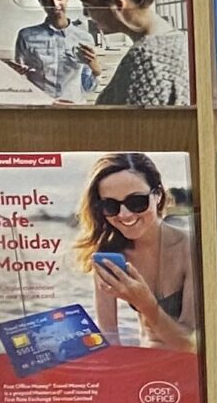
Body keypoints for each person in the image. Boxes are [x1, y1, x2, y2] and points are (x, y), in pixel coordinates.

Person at [72, 149, 196, 353]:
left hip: (189, 364)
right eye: (111, 205)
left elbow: (190, 344)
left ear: (157, 195)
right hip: (145, 360)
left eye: (136, 202)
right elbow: (109, 336)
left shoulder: (190, 247)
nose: (124, 214)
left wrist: (145, 303)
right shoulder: (110, 255)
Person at [68, 0, 193, 108]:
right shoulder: (178, 41)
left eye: (87, 5)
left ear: (118, 5)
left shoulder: (146, 59)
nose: (85, 13)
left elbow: (131, 129)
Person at [13, 0, 97, 100]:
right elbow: (21, 83)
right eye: (47, 0)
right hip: (39, 111)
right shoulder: (26, 37)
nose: (55, 4)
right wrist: (16, 74)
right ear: (40, 1)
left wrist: (95, 71)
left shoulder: (85, 38)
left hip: (74, 111)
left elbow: (87, 88)